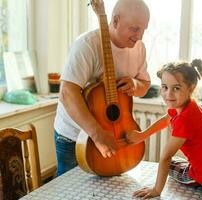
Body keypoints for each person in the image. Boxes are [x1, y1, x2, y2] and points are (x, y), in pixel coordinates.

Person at [54, 0, 151, 176]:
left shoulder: (139, 48)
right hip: (74, 136)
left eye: (144, 30)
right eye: (135, 29)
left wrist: (135, 84)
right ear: (115, 20)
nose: (140, 37)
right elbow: (67, 93)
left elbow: (145, 86)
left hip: (113, 134)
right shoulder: (87, 44)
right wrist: (97, 134)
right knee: (69, 190)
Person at [126, 59, 202, 198]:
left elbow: (166, 157)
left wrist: (156, 190)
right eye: (164, 87)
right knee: (178, 162)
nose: (168, 94)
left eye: (176, 88)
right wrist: (143, 135)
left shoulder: (185, 120)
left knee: (170, 165)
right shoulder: (189, 106)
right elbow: (167, 118)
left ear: (191, 88)